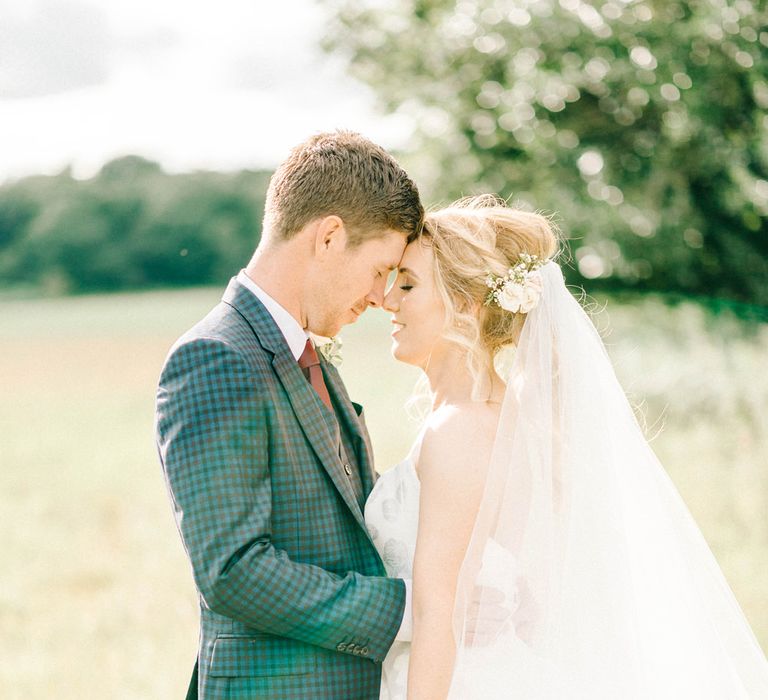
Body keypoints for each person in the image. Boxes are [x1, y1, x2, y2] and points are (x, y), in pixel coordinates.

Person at [366, 194, 768, 699]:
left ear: (465, 304)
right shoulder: (499, 421)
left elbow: (436, 617)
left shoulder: (459, 430)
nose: (386, 301)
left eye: (407, 284)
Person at [155, 130, 424, 699]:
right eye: (379, 269)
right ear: (329, 237)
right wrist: (408, 611)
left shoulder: (312, 358)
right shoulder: (216, 357)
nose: (382, 297)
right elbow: (233, 570)